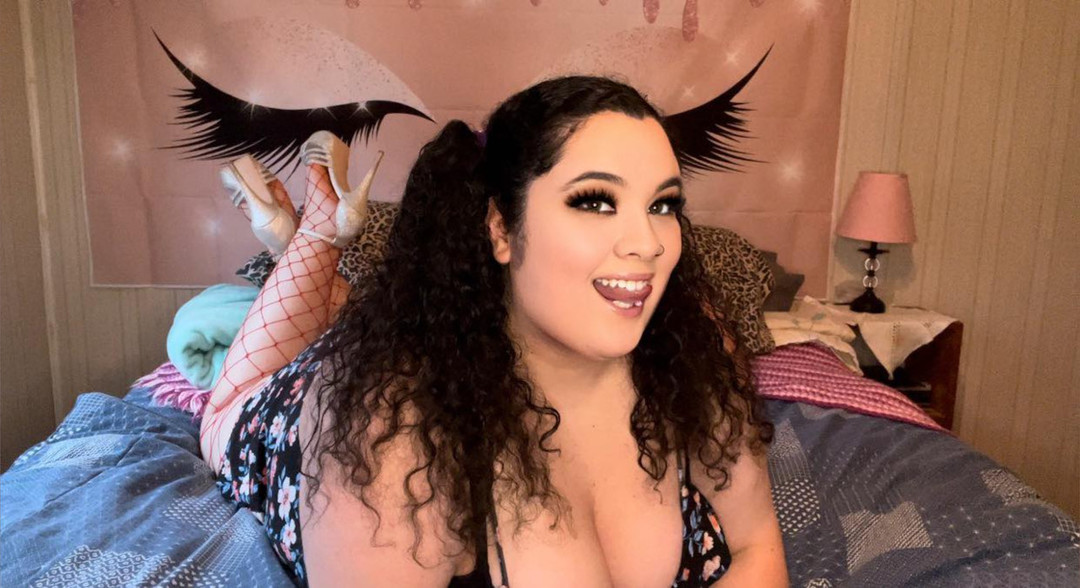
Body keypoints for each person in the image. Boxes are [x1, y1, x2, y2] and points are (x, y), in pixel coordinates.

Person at [199, 75, 787, 587]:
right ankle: (315, 235)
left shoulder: (693, 352)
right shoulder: (389, 428)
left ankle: (307, 242)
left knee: (351, 316)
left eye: (663, 205)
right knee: (222, 408)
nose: (649, 244)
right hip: (282, 412)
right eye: (595, 202)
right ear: (501, 229)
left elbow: (759, 549)